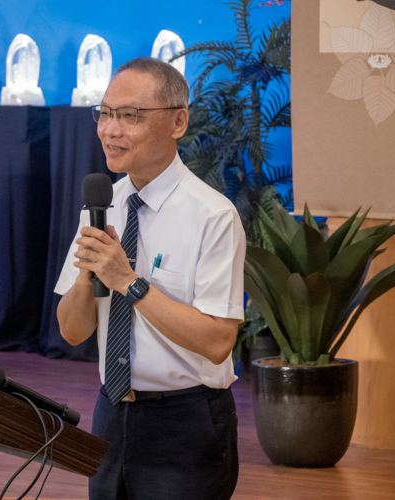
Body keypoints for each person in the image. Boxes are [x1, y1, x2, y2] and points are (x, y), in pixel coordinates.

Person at [54, 57, 246, 500]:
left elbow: (218, 341)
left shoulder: (212, 216)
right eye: (104, 113)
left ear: (178, 121)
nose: (110, 129)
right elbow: (72, 329)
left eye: (130, 116)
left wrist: (128, 281)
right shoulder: (101, 205)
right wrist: (88, 276)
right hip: (111, 414)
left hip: (186, 423)